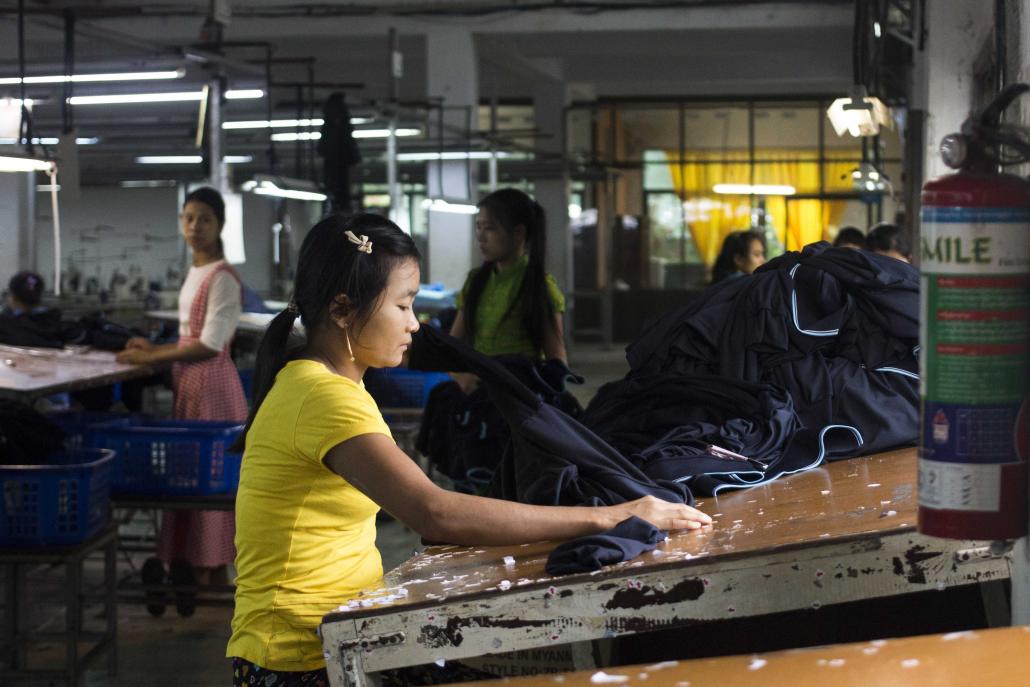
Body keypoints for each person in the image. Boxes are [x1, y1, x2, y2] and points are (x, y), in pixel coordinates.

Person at [226, 213, 711, 685]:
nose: (414, 324)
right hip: (299, 660)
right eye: (402, 305)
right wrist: (613, 516)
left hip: (336, 631)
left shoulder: (318, 382)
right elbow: (433, 511)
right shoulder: (323, 396)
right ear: (341, 309)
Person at [116, 186, 247, 615]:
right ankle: (192, 571)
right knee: (191, 476)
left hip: (212, 387)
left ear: (220, 225)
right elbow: (190, 334)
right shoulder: (195, 272)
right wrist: (152, 344)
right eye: (188, 218)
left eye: (204, 219)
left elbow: (210, 344)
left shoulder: (223, 277)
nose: (195, 227)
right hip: (190, 386)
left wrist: (153, 355)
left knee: (210, 481)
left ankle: (211, 577)